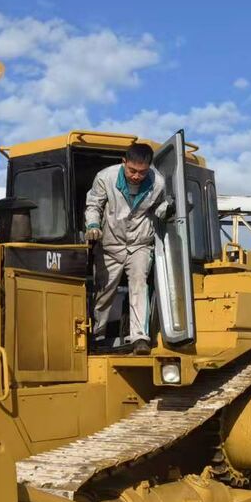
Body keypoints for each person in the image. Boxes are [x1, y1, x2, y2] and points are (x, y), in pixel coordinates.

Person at [84, 144, 172, 354]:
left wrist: (165, 209)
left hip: (139, 243)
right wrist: (93, 225)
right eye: (132, 170)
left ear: (149, 168)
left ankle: (139, 338)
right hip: (110, 244)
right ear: (123, 162)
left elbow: (159, 206)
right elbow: (94, 204)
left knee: (139, 286)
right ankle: (97, 335)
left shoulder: (157, 182)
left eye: (142, 172)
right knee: (104, 290)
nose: (136, 176)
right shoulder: (105, 177)